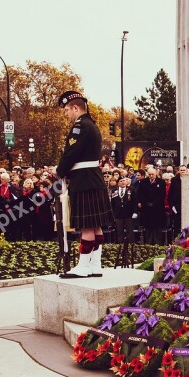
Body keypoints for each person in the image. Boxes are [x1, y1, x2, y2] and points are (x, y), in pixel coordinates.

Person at [56, 90, 113, 278]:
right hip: (92, 178)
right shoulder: (92, 125)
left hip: (84, 179)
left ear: (75, 107)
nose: (66, 114)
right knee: (96, 225)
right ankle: (95, 264)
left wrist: (59, 171)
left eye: (66, 110)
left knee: (87, 225)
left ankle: (83, 266)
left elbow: (71, 153)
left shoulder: (80, 126)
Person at [136, 167, 166, 244]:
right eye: (149, 174)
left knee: (157, 228)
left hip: (157, 208)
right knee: (148, 228)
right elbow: (140, 194)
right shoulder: (143, 182)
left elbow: (162, 194)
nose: (151, 176)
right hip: (147, 209)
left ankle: (158, 244)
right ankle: (148, 244)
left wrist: (154, 203)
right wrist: (145, 203)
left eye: (152, 174)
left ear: (156, 174)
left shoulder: (161, 182)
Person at [111, 176, 135, 243]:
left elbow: (134, 201)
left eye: (124, 180)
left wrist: (134, 212)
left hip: (128, 213)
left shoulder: (131, 189)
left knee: (129, 231)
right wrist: (113, 214)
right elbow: (112, 203)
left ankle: (130, 246)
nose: (123, 182)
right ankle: (120, 246)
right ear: (118, 183)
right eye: (121, 181)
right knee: (119, 231)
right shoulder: (114, 190)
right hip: (118, 214)